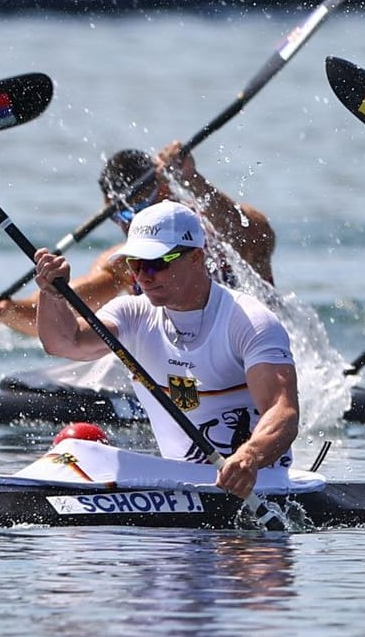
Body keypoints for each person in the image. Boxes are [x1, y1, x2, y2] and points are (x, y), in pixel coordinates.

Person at [30, 200, 299, 498]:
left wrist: (249, 456)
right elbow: (65, 343)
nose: (144, 276)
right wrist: (51, 294)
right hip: (178, 486)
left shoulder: (248, 320)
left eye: (157, 262)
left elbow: (283, 411)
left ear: (196, 257)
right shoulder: (132, 315)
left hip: (259, 485)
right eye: (135, 264)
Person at [0, 140, 276, 337]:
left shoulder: (212, 230)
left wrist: (192, 180)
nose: (127, 225)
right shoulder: (125, 263)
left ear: (166, 190)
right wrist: (8, 311)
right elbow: (69, 309)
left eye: (136, 210)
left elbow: (260, 237)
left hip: (256, 352)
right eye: (118, 216)